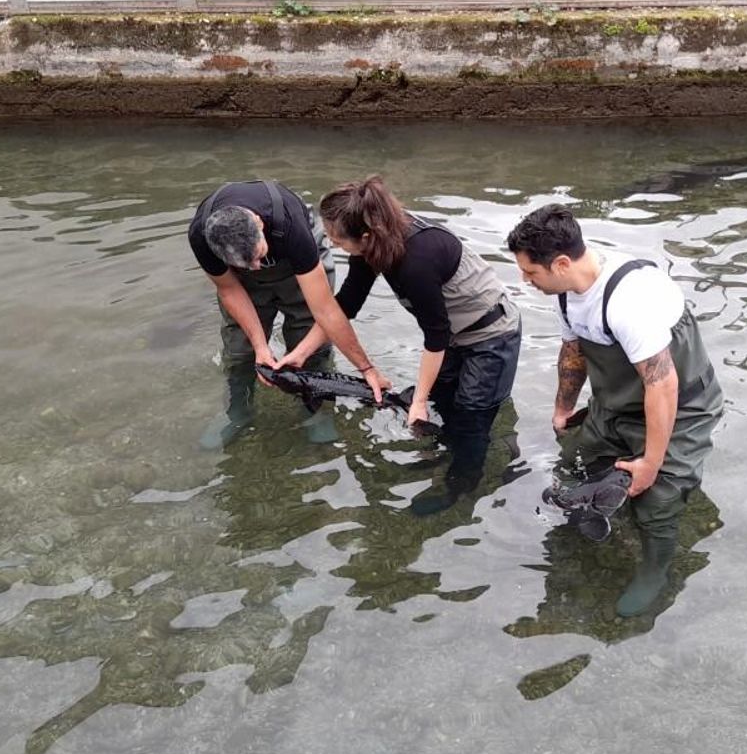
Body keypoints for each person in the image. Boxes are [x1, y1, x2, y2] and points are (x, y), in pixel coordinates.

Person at [506, 203, 723, 618]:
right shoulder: (567, 292)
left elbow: (663, 385)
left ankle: (656, 570)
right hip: (618, 400)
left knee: (655, 497)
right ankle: (591, 519)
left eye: (530, 272)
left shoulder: (629, 301)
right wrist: (563, 408)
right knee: (574, 462)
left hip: (681, 405)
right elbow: (573, 349)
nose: (524, 280)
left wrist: (651, 464)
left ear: (562, 262)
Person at [285, 175, 522, 515]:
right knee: (444, 404)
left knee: (470, 417)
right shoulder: (373, 243)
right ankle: (457, 452)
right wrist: (300, 355)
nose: (333, 245)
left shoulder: (416, 260)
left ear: (365, 234)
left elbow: (435, 334)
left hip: (491, 334)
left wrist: (419, 401)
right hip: (454, 333)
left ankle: (461, 487)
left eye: (337, 239)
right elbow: (346, 305)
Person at [188, 178, 390, 449]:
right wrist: (260, 346)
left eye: (259, 256)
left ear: (259, 223)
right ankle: (238, 412)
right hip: (240, 282)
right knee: (240, 348)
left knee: (309, 338)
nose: (258, 267)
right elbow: (229, 290)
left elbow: (326, 311)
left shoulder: (290, 225)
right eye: (250, 263)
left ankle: (316, 413)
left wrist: (365, 368)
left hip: (298, 268)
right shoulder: (202, 236)